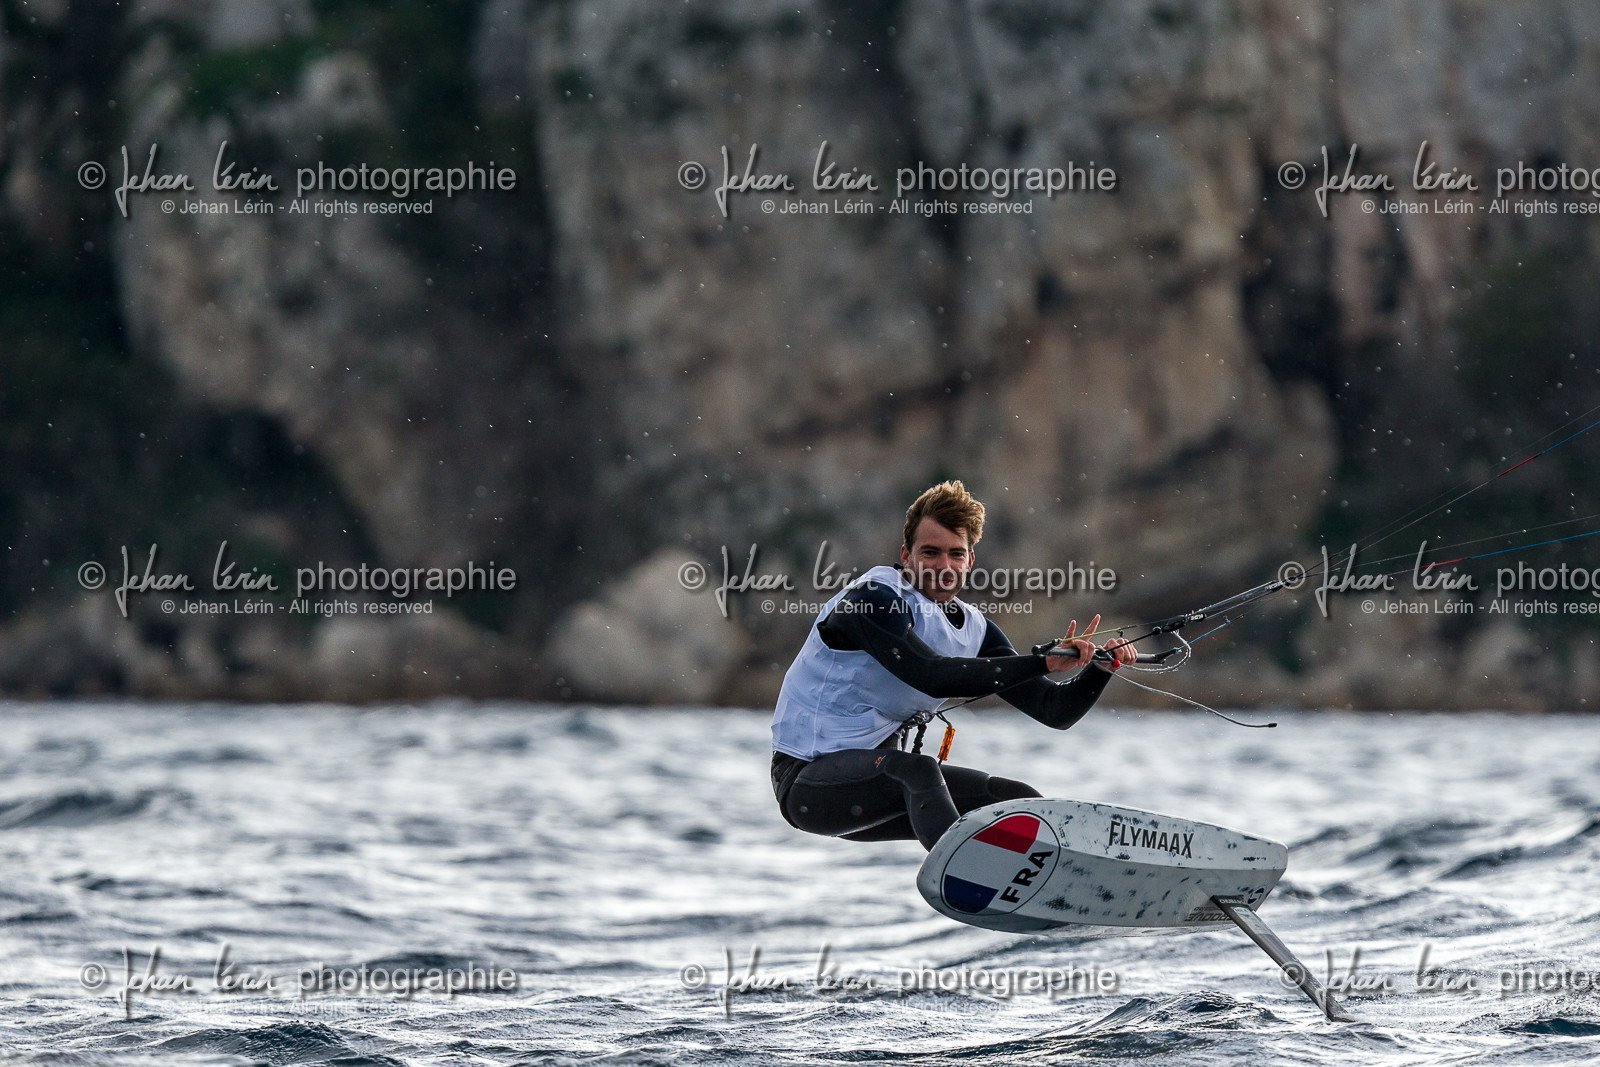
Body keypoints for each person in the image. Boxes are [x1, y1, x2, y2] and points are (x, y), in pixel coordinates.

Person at [770, 480, 1134, 850]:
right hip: (807, 786)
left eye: (956, 554)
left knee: (1015, 801)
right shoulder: (872, 601)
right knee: (919, 769)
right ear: (907, 555)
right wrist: (1042, 661)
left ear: (970, 560)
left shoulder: (975, 630)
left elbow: (1053, 710)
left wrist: (1100, 668)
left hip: (880, 786)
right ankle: (968, 874)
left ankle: (1058, 876)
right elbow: (931, 675)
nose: (944, 566)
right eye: (930, 552)